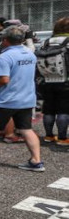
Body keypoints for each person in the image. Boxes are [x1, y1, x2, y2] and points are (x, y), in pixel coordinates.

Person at [0, 26, 46, 171]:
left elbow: (4, 80)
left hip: (7, 100)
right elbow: (19, 76)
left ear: (5, 40)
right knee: (26, 129)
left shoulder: (5, 56)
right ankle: (36, 161)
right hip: (26, 98)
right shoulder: (30, 54)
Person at [36, 17, 69, 145]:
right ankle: (62, 138)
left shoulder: (46, 42)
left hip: (47, 81)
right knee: (64, 110)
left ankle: (49, 136)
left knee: (48, 109)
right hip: (65, 81)